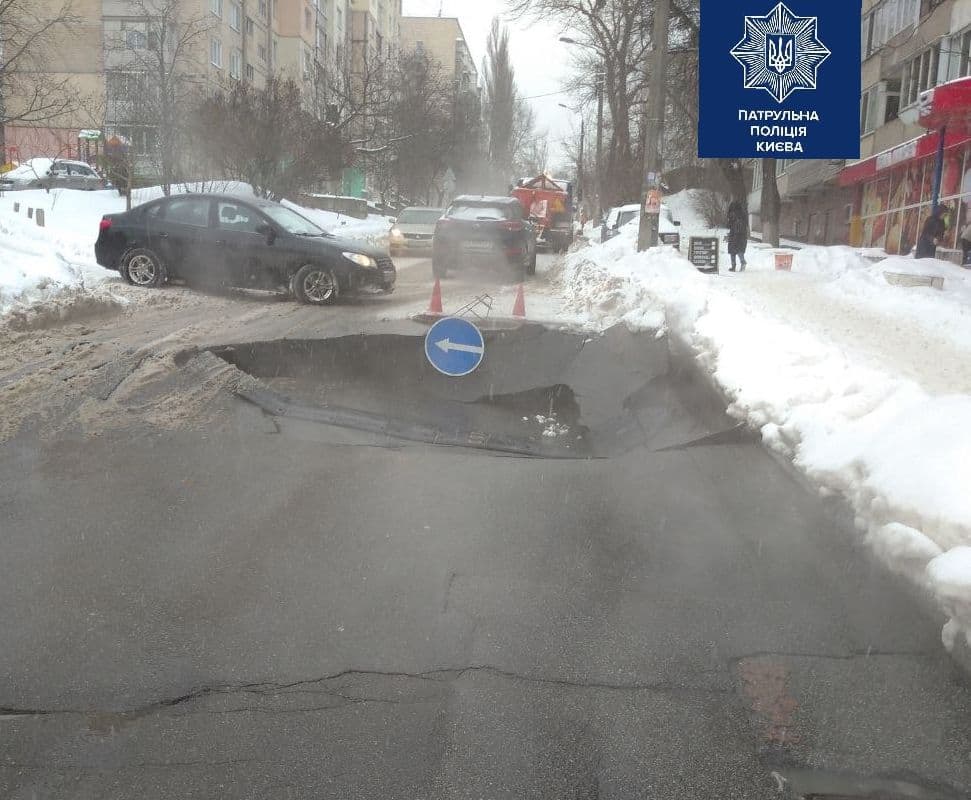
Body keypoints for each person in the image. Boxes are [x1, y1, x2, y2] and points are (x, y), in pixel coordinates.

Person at [727, 200, 748, 271]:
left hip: (736, 235)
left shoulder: (734, 214)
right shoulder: (743, 214)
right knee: (739, 250)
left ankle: (735, 266)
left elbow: (730, 225)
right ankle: (741, 263)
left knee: (733, 251)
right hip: (741, 235)